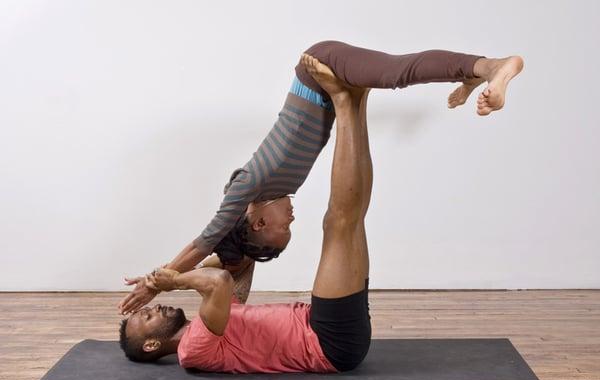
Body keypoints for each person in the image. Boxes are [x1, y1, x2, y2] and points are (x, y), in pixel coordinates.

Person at [118, 41, 524, 314]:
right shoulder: (271, 194)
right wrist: (222, 275)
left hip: (319, 68)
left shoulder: (247, 188)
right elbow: (230, 270)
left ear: (258, 221)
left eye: (284, 227)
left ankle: (497, 69)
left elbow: (203, 240)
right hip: (330, 89)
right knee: (394, 75)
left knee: (397, 73)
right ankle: (471, 75)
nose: (293, 218)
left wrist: (162, 281)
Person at [119, 55, 375, 372]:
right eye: (147, 316)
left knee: (351, 218)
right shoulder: (193, 350)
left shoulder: (216, 317)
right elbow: (218, 282)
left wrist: (162, 275)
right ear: (152, 345)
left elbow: (233, 265)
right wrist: (175, 280)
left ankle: (358, 99)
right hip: (327, 341)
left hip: (324, 328)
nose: (154, 308)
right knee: (339, 222)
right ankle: (341, 98)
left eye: (147, 309)